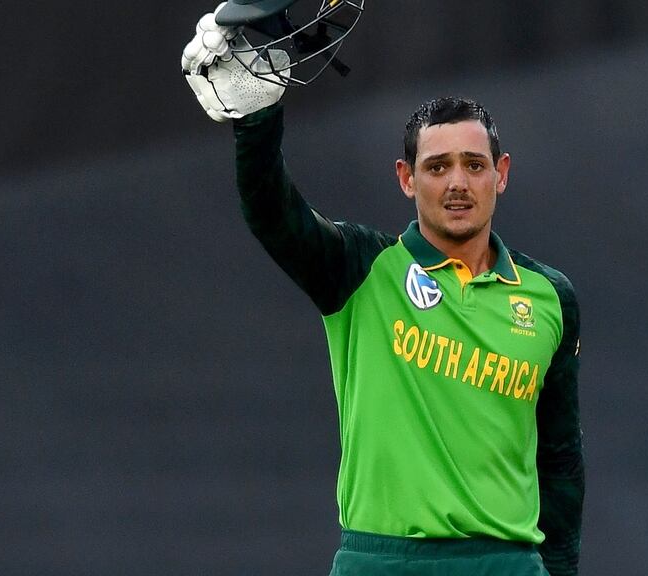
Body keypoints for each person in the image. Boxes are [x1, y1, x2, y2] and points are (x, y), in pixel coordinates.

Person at [182, 5, 584, 575]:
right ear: (405, 178)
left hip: (506, 564)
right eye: (437, 166)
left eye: (474, 164)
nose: (458, 183)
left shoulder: (549, 297)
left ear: (502, 173)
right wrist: (258, 124)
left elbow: (560, 460)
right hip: (382, 561)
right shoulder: (359, 268)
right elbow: (274, 215)